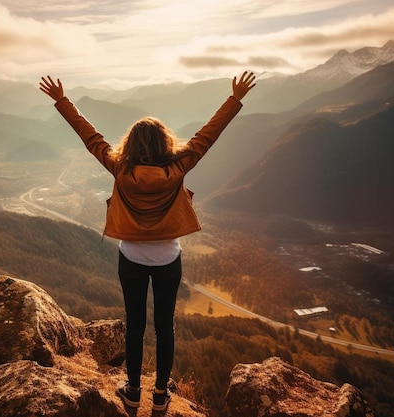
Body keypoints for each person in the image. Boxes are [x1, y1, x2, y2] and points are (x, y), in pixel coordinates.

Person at [39, 71, 256, 411]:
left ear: (131, 145)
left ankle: (132, 390)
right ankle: (160, 397)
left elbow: (91, 137)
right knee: (165, 328)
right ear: (164, 143)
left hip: (132, 258)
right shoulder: (179, 166)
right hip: (169, 258)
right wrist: (234, 98)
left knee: (135, 326)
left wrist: (62, 101)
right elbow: (207, 136)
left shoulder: (119, 168)